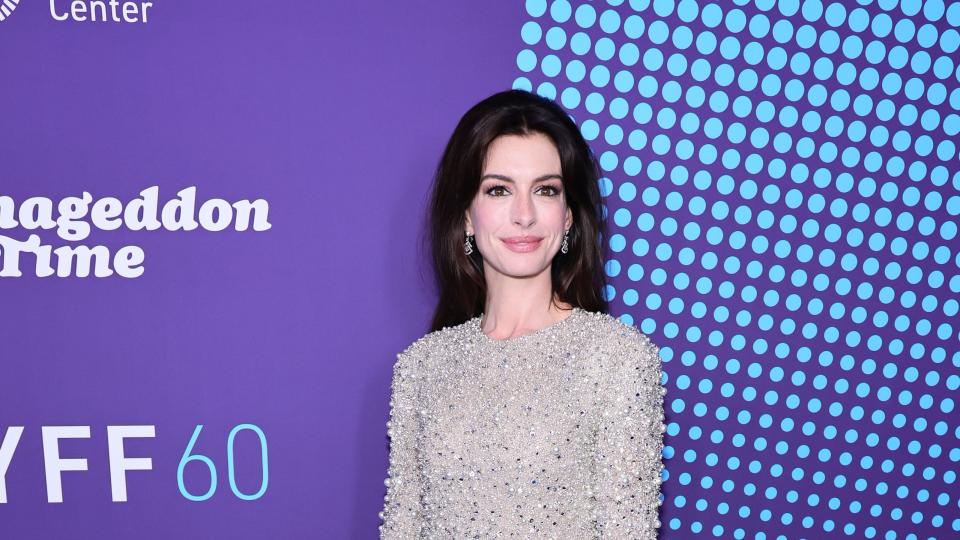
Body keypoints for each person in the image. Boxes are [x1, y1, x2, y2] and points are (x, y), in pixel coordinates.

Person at [378, 89, 665, 538]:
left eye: (546, 190)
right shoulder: (421, 368)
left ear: (569, 216)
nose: (525, 215)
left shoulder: (617, 360)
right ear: (467, 216)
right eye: (498, 190)